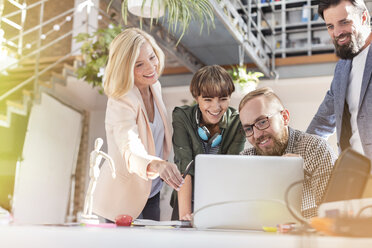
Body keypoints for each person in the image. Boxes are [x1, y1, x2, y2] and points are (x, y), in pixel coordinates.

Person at [92, 28, 184, 222]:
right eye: (139, 64)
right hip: (122, 199)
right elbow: (129, 147)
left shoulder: (154, 87)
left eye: (152, 57)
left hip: (151, 192)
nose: (150, 68)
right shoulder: (121, 100)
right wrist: (156, 164)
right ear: (125, 68)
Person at [239, 87, 336, 218]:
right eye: (248, 129)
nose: (256, 135)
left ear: (284, 117)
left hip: (306, 235)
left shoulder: (315, 148)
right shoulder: (245, 160)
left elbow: (332, 210)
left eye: (262, 122)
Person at [171, 65, 246, 220]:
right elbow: (185, 166)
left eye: (223, 99)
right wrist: (185, 217)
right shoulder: (182, 116)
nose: (216, 107)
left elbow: (230, 168)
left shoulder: (238, 122)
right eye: (207, 99)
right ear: (196, 98)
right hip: (186, 199)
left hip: (219, 202)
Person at [307, 0, 372, 159]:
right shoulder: (342, 68)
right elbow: (322, 121)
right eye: (330, 26)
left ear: (363, 17)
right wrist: (299, 153)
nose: (337, 33)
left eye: (344, 22)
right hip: (356, 175)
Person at [82, 138, 116, 222]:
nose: (96, 144)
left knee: (90, 194)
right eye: (96, 142)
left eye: (98, 143)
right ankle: (86, 212)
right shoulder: (92, 153)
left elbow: (109, 159)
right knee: (88, 194)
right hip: (92, 172)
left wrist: (113, 171)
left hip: (95, 174)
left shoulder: (99, 153)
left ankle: (88, 212)